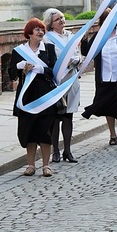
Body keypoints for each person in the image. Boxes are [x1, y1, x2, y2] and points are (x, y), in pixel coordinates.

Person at [9, 18, 58, 178]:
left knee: (44, 132)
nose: (40, 32)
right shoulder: (19, 51)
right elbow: (11, 75)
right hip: (27, 98)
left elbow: (55, 72)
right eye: (37, 29)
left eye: (42, 29)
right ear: (29, 33)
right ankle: (30, 165)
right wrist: (18, 67)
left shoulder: (49, 49)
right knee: (28, 132)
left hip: (44, 97)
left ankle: (46, 165)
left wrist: (41, 69)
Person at [81, 9, 117, 145]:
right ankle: (112, 134)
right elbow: (87, 52)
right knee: (107, 106)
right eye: (106, 19)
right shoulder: (99, 36)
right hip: (104, 76)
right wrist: (84, 39)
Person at [43, 8, 81, 163]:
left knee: (68, 116)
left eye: (62, 18)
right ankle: (55, 151)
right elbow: (48, 60)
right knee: (55, 118)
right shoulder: (47, 39)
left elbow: (78, 55)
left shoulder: (71, 36)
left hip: (71, 79)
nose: (62, 21)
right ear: (51, 24)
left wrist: (76, 60)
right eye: (57, 19)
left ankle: (68, 150)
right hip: (56, 81)